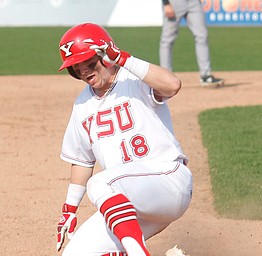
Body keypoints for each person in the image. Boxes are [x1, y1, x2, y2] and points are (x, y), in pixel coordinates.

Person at [56, 23, 193, 256]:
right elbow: (82, 160)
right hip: (131, 203)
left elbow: (173, 85)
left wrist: (124, 58)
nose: (84, 72)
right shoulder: (82, 105)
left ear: (106, 56)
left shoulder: (134, 79)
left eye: (89, 63)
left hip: (168, 180)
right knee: (75, 253)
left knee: (101, 183)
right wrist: (69, 208)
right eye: (77, 68)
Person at [159, 0, 224, 87]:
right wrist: (166, 3)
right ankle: (165, 78)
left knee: (202, 36)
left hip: (194, 2)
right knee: (167, 40)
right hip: (174, 3)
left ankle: (206, 76)